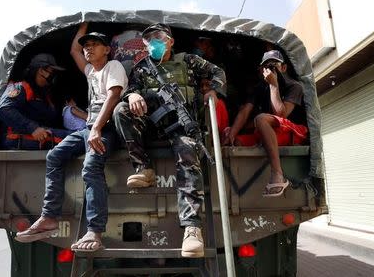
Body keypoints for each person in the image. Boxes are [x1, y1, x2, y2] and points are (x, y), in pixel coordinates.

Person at [114, 23, 226, 258]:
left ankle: (192, 228)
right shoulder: (141, 68)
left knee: (187, 149)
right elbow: (128, 90)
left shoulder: (189, 62)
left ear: (170, 41)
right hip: (151, 128)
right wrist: (132, 94)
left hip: (181, 127)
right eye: (148, 40)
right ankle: (143, 168)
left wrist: (213, 91)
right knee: (121, 110)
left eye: (158, 37)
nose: (152, 42)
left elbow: (218, 72)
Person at [15, 23, 128, 253]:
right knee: (55, 156)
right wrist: (84, 23)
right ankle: (49, 217)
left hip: (107, 129)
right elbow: (73, 51)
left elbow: (113, 97)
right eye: (87, 46)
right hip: (89, 128)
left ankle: (95, 231)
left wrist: (96, 128)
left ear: (107, 50)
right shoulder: (91, 72)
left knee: (90, 167)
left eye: (95, 45)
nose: (88, 48)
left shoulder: (113, 66)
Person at [223, 50, 308, 197]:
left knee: (261, 118)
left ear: (284, 68)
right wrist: (231, 134)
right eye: (267, 66)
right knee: (237, 140)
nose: (271, 69)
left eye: (275, 65)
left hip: (292, 133)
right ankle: (245, 189)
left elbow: (281, 114)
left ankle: (277, 173)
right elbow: (245, 112)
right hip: (271, 131)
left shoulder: (294, 86)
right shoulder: (260, 88)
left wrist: (274, 86)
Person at [0, 53, 72, 150]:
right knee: (78, 139)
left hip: (40, 134)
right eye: (51, 72)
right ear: (41, 70)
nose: (52, 77)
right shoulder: (20, 87)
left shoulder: (44, 94)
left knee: (78, 135)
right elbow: (4, 109)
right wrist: (33, 128)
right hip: (18, 138)